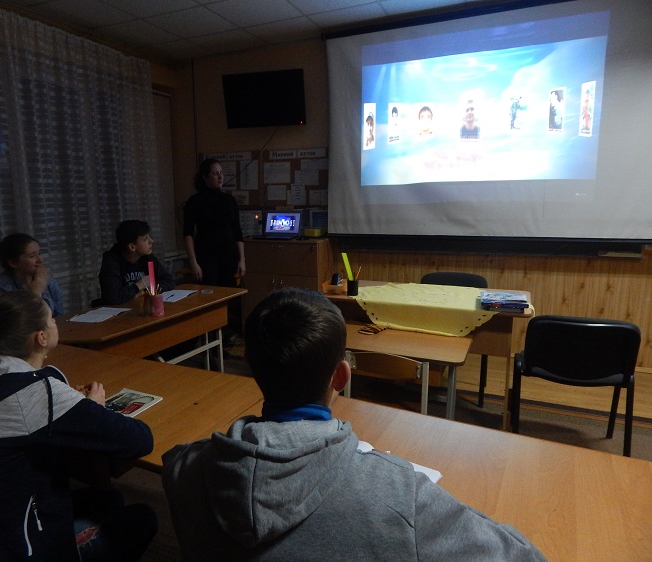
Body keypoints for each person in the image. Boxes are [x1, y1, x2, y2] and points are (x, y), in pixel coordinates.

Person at [162, 288, 548, 561]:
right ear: (341, 377)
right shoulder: (400, 492)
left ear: (249, 364)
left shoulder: (183, 469)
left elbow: (175, 458)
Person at [0, 291, 158, 562]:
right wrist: (92, 409)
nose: (56, 321)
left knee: (108, 499)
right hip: (10, 548)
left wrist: (71, 408)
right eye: (52, 319)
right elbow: (140, 440)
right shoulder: (35, 394)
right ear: (41, 338)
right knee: (143, 518)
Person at [184, 159, 246, 341]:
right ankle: (209, 342)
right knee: (209, 300)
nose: (220, 177)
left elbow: (238, 232)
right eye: (215, 173)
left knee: (228, 299)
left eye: (221, 173)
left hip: (229, 257)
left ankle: (224, 341)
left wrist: (242, 259)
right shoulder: (194, 202)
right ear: (205, 177)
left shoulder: (229, 200)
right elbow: (187, 234)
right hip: (206, 258)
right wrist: (193, 262)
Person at [0, 232, 64, 316]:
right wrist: (36, 293)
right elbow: (16, 322)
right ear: (13, 263)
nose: (40, 260)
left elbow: (59, 316)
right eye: (32, 256)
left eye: (39, 253)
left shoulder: (47, 280)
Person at [99, 219, 175, 305]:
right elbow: (114, 296)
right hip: (118, 311)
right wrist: (139, 285)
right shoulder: (111, 260)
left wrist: (143, 291)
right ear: (132, 247)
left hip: (140, 305)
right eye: (145, 239)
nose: (151, 241)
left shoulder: (147, 257)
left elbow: (169, 282)